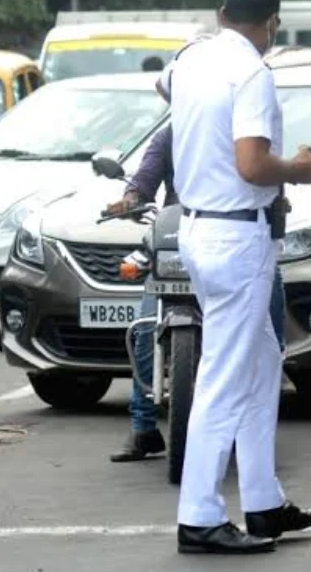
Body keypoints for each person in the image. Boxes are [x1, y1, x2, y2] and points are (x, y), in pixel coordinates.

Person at [167, 0, 311, 555]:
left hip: (198, 228)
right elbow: (254, 166)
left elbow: (168, 90)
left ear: (221, 12)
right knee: (226, 376)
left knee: (261, 363)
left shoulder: (190, 61)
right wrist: (301, 168)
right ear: (272, 23)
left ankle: (262, 502)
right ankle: (200, 515)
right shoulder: (253, 72)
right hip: (238, 237)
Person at [107, 109, 288, 464]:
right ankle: (143, 426)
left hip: (236, 244)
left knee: (270, 307)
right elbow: (143, 181)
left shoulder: (250, 137)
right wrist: (129, 199)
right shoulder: (170, 136)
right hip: (181, 240)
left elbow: (270, 185)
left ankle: (271, 378)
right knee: (146, 330)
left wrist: (278, 202)